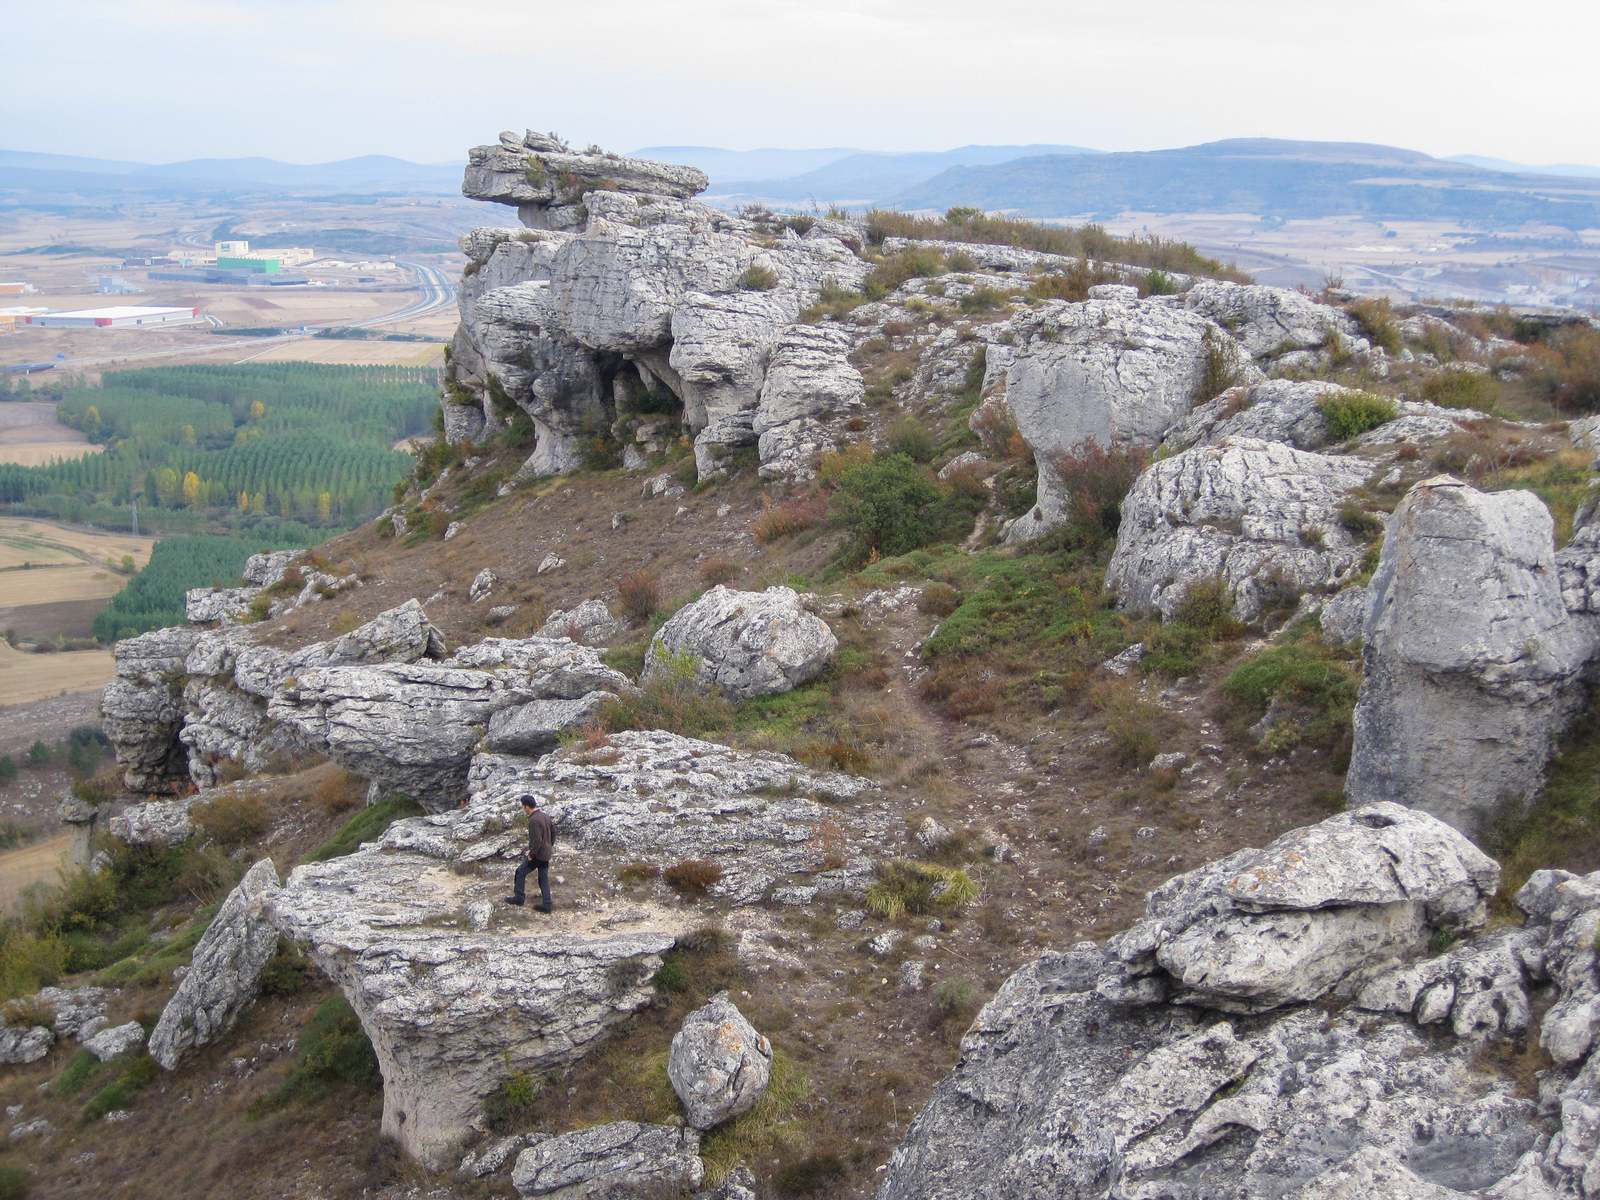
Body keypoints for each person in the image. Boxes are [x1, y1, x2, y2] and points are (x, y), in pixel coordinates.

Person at [505, 794, 555, 912]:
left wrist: (532, 854)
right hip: (546, 853)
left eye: (523, 806)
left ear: (527, 806)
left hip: (537, 854)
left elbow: (537, 840)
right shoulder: (545, 816)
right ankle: (547, 905)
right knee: (543, 878)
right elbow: (553, 833)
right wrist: (549, 845)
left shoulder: (534, 820)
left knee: (520, 872)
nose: (523, 809)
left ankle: (519, 898)